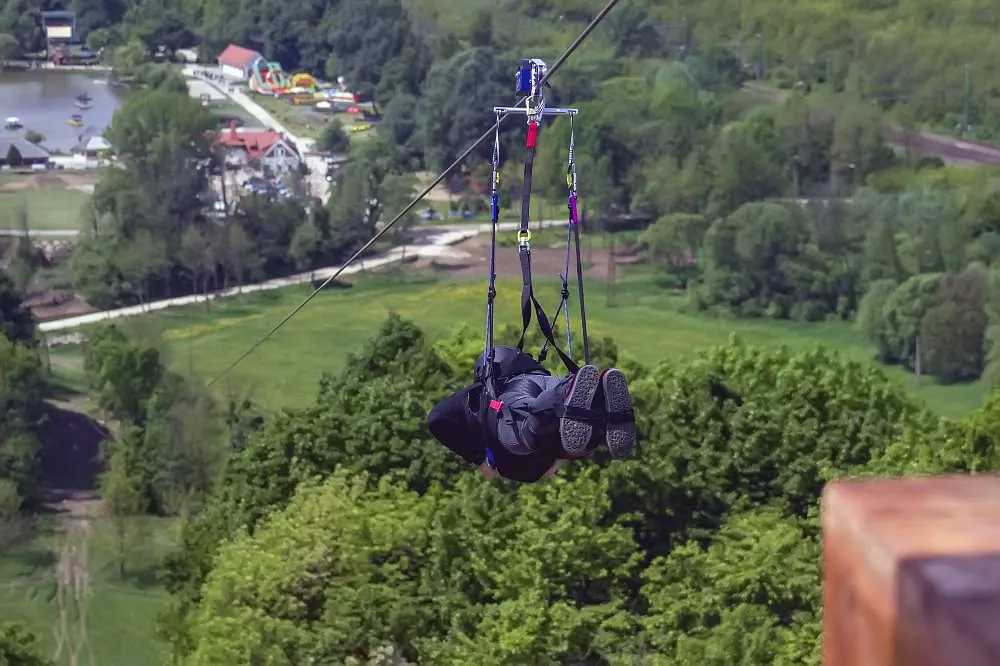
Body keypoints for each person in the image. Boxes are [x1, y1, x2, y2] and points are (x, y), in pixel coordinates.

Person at [427, 345, 635, 482]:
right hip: (548, 382)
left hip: (523, 401)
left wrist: (479, 458)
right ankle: (599, 400)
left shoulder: (479, 395)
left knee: (528, 428)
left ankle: (587, 401)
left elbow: (437, 419)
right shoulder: (481, 396)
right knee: (572, 426)